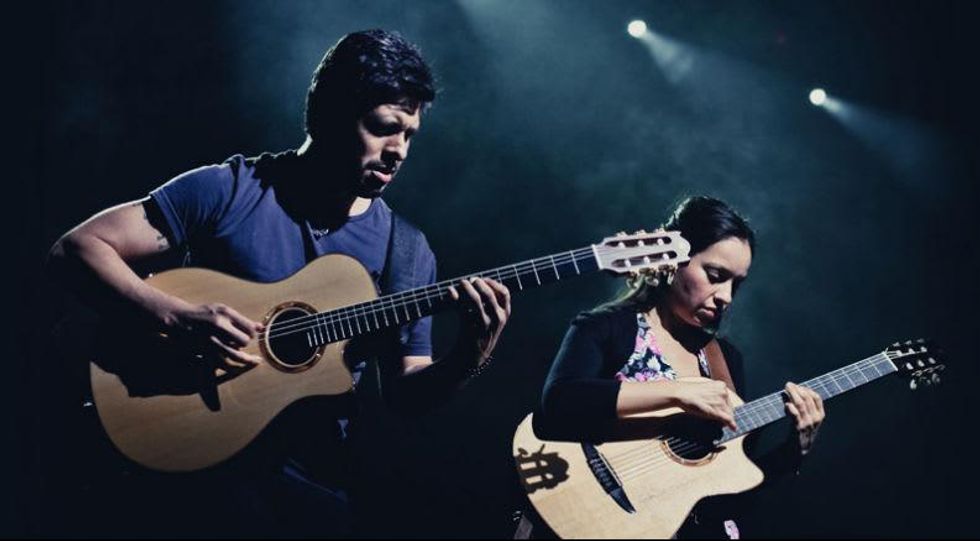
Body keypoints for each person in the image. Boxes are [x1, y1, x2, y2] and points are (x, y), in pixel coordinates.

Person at [46, 29, 510, 537]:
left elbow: (405, 396)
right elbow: (78, 248)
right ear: (329, 113)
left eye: (410, 134)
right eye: (384, 127)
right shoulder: (230, 189)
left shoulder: (408, 251)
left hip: (310, 479)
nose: (398, 150)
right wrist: (174, 315)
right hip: (190, 465)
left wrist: (470, 354)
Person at [537, 196, 825, 538]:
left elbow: (724, 499)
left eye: (736, 283)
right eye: (716, 275)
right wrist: (677, 392)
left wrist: (794, 452)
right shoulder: (606, 327)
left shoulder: (725, 361)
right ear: (673, 260)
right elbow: (560, 401)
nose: (726, 296)